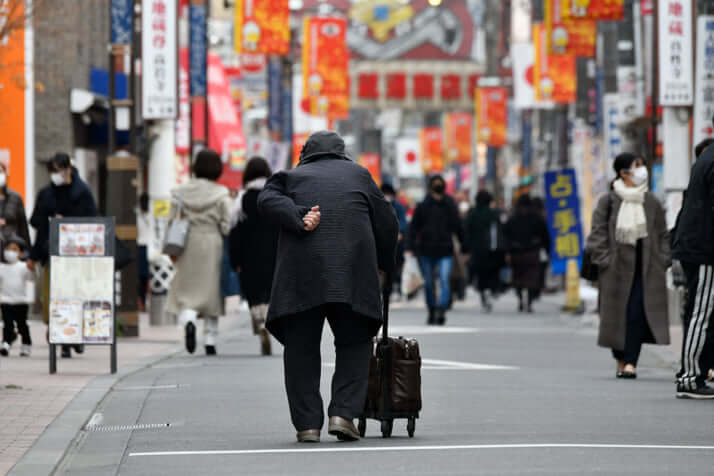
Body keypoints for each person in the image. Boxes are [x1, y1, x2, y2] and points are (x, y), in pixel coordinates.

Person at [258, 131, 398, 443]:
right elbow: (387, 223)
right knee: (354, 342)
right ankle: (343, 414)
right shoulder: (360, 175)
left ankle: (307, 425)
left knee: (301, 350)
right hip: (352, 276)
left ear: (305, 154)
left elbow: (265, 199)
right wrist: (388, 267)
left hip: (301, 280)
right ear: (341, 153)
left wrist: (297, 216)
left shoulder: (290, 178)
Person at [587, 153, 670, 379]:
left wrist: (663, 259)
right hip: (615, 270)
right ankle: (621, 359)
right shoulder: (609, 201)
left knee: (636, 314)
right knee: (616, 316)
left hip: (646, 269)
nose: (642, 170)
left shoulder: (651, 201)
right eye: (637, 166)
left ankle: (631, 362)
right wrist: (605, 259)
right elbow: (597, 234)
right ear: (623, 173)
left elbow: (663, 234)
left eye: (643, 165)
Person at [29, 153, 98, 358]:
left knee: (75, 295)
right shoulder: (46, 193)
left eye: (57, 170)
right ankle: (60, 334)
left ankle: (74, 336)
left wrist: (67, 221)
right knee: (52, 296)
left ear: (68, 169)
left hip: (76, 254)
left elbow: (92, 220)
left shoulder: (82, 192)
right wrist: (33, 255)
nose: (54, 175)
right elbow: (36, 222)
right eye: (52, 171)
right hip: (51, 252)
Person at [167, 149, 232, 356]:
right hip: (212, 242)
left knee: (188, 289)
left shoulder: (182, 192)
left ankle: (188, 319)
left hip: (188, 242)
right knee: (212, 290)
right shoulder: (221, 193)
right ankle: (210, 339)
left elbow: (171, 220)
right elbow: (227, 224)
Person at [671, 139, 714, 398]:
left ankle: (694, 372)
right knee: (701, 313)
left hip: (698, 246)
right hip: (705, 250)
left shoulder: (707, 157)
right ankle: (689, 377)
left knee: (701, 313)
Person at [229, 157, 279, 356]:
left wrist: (235, 261)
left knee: (252, 293)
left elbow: (234, 232)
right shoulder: (274, 197)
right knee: (269, 291)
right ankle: (267, 321)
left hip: (248, 256)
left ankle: (259, 323)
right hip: (273, 254)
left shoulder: (241, 200)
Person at [407, 175, 464, 325]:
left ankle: (441, 308)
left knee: (445, 280)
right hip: (427, 249)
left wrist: (464, 246)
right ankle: (432, 308)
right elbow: (414, 227)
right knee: (429, 282)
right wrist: (411, 246)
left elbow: (458, 226)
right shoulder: (423, 205)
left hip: (445, 249)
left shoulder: (450, 204)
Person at [503, 194, 550, 313]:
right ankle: (528, 303)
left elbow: (505, 235)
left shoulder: (512, 218)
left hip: (516, 253)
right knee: (532, 279)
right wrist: (547, 250)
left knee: (518, 278)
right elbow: (545, 236)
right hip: (532, 252)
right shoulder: (537, 217)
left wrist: (507, 251)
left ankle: (520, 300)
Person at [465, 190, 506, 312]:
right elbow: (500, 232)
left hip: (477, 250)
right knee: (492, 273)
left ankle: (484, 295)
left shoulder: (472, 214)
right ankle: (491, 290)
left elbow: (467, 232)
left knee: (481, 274)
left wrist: (466, 249)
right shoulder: (494, 214)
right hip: (493, 250)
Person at [0, 235, 33, 357]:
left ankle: (26, 343)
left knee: (22, 324)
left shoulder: (23, 267)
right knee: (7, 324)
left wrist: (31, 269)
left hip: (21, 301)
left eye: (14, 250)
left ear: (20, 253)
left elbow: (31, 279)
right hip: (6, 300)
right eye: (8, 249)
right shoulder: (1, 267)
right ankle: (6, 343)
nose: (10, 252)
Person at [381, 183, 407, 298]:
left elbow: (403, 222)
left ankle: (391, 289)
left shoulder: (398, 206)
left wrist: (399, 232)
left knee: (394, 268)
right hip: (381, 243)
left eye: (388, 194)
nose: (387, 196)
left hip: (396, 245)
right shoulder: (378, 205)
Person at [0, 162, 30, 247]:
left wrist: (27, 250)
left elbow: (23, 225)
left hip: (12, 245)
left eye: (1, 172)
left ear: (6, 174)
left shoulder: (15, 197)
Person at [531, 196, 550, 299]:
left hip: (528, 249)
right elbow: (545, 236)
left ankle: (532, 290)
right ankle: (537, 290)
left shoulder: (528, 216)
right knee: (540, 270)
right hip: (540, 249)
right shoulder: (542, 218)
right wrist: (548, 249)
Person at [136, 193, 152, 312]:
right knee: (147, 277)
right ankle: (143, 302)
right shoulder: (151, 215)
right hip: (150, 247)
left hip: (140, 247)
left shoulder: (137, 214)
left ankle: (141, 302)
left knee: (141, 277)